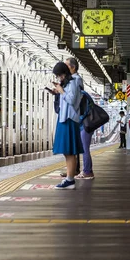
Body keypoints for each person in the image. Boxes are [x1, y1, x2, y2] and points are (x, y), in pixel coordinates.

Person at [51, 61, 84, 189]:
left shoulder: (75, 81)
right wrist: (59, 91)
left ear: (64, 73)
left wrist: (61, 91)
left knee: (69, 151)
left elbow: (71, 99)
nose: (59, 78)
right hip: (65, 118)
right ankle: (69, 178)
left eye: (59, 75)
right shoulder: (69, 82)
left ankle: (70, 179)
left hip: (69, 118)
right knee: (67, 151)